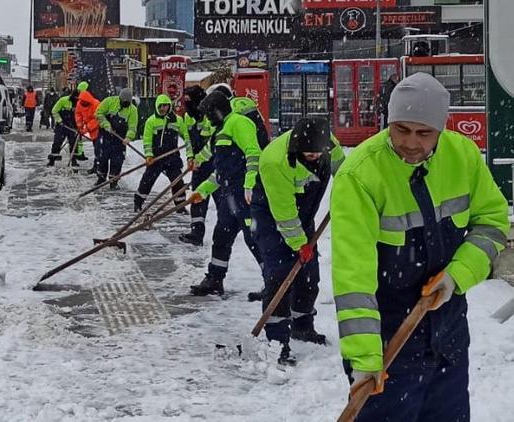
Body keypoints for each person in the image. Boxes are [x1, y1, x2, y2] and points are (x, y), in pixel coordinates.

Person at [331, 72, 508, 421]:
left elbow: (492, 223)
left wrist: (456, 276)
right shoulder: (360, 175)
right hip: (390, 335)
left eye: (424, 133)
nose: (411, 142)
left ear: (441, 129)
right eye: (401, 130)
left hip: (449, 329)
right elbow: (353, 277)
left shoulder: (464, 157)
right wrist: (365, 359)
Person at [249, 117, 344, 366]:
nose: (314, 157)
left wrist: (349, 194)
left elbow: (346, 174)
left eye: (317, 153)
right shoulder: (274, 162)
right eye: (308, 154)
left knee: (309, 275)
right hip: (271, 214)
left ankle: (302, 325)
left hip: (304, 211)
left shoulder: (328, 144)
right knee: (280, 274)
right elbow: (284, 213)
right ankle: (277, 341)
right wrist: (299, 243)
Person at [188, 91, 265, 296]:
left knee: (255, 238)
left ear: (218, 111)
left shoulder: (239, 123)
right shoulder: (220, 131)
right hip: (229, 196)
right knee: (221, 236)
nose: (207, 118)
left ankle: (273, 281)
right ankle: (215, 278)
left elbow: (253, 153)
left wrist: (250, 184)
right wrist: (202, 191)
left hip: (246, 195)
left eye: (209, 113)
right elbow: (221, 173)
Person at [134, 94, 193, 214]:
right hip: (156, 157)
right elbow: (147, 140)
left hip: (172, 157)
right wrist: (149, 155)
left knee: (178, 181)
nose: (163, 109)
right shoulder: (151, 121)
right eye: (160, 106)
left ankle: (180, 206)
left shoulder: (178, 120)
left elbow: (187, 138)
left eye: (165, 106)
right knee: (148, 180)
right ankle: (138, 202)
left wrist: (190, 155)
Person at [178, 86, 214, 246]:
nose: (187, 106)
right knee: (197, 198)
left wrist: (199, 159)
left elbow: (212, 144)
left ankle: (233, 232)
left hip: (214, 165)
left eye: (189, 102)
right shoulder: (187, 116)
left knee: (224, 202)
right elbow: (188, 141)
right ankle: (196, 232)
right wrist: (191, 158)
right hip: (198, 166)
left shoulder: (210, 117)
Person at [95, 88, 139, 189]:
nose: (125, 103)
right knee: (103, 157)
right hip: (106, 135)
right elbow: (98, 113)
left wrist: (128, 137)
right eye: (123, 101)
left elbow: (132, 127)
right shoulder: (109, 102)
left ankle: (113, 181)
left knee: (117, 160)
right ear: (120, 98)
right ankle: (101, 178)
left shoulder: (133, 110)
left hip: (120, 139)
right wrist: (105, 124)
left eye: (127, 102)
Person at [47, 89, 79, 167]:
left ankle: (73, 160)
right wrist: (60, 121)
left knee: (74, 143)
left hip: (73, 127)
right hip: (62, 126)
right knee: (57, 142)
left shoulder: (80, 103)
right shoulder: (63, 100)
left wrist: (79, 126)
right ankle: (52, 160)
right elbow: (54, 111)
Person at [75, 89, 100, 165]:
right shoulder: (79, 104)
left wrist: (86, 129)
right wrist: (80, 126)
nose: (82, 103)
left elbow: (97, 119)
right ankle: (97, 164)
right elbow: (78, 114)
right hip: (91, 129)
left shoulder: (96, 104)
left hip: (99, 129)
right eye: (81, 101)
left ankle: (98, 165)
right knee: (96, 147)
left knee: (98, 148)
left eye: (84, 101)